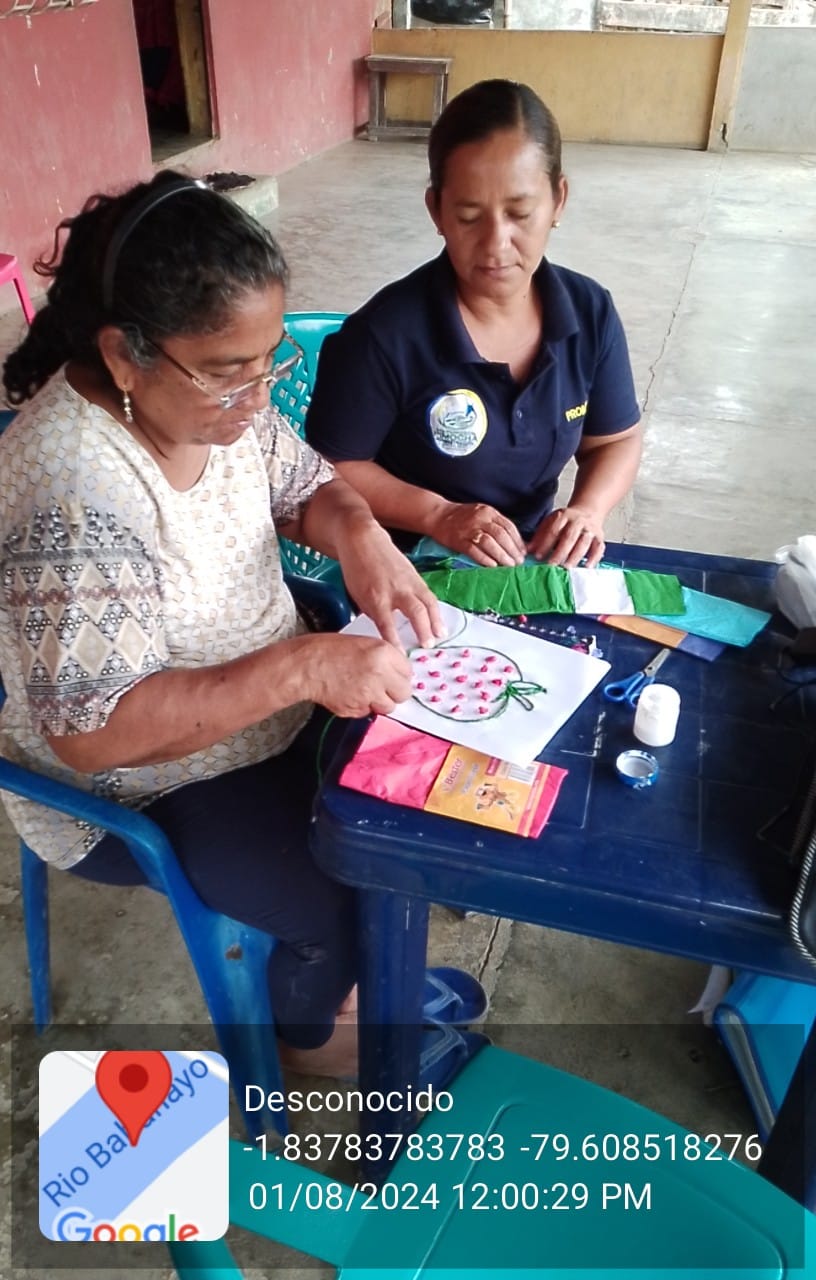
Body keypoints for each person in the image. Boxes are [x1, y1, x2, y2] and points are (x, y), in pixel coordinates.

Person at [0, 171, 443, 1079]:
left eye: (269, 363)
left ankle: (357, 985)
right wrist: (303, 669)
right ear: (126, 356)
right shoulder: (74, 492)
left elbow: (307, 483)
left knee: (411, 823)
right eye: (230, 374)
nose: (258, 398)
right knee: (341, 897)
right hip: (143, 784)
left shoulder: (216, 408)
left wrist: (360, 533)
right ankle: (305, 1037)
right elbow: (95, 734)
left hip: (266, 709)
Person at [306, 79, 642, 571]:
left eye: (520, 213)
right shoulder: (384, 336)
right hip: (405, 571)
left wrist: (588, 511)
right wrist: (438, 515)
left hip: (528, 565)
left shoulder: (589, 312)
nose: (496, 244)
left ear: (558, 201)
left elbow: (615, 440)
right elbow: (327, 468)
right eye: (468, 217)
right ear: (436, 210)